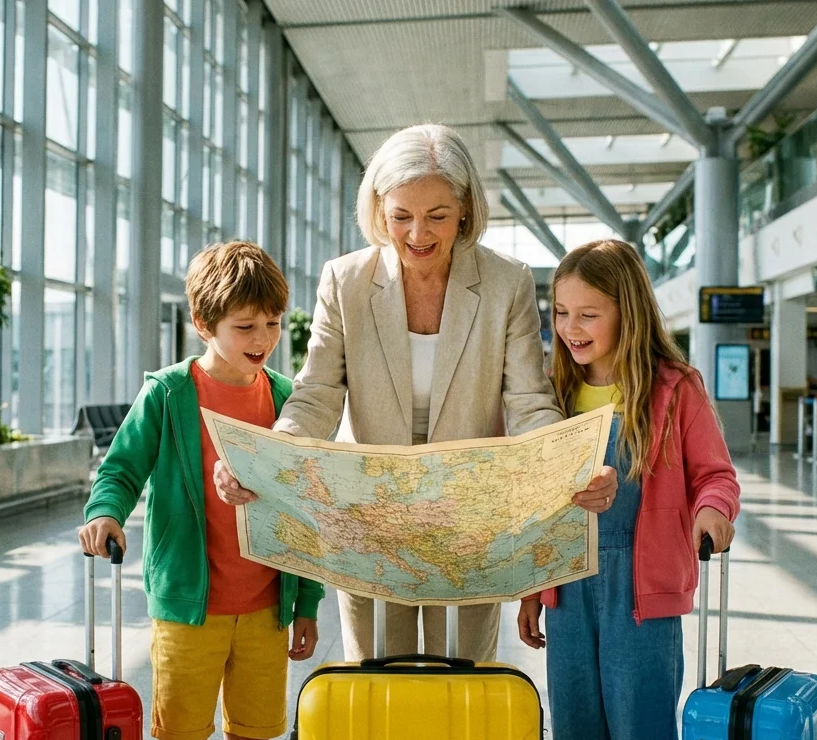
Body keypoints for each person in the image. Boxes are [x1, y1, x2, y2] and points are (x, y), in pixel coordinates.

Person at [213, 123, 618, 663]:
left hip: (471, 527)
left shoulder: (507, 283)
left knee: (462, 687)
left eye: (438, 216)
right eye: (400, 215)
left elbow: (528, 402)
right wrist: (265, 458)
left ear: (466, 211)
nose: (417, 234)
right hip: (366, 522)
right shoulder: (345, 281)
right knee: (378, 688)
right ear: (378, 209)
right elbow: (317, 395)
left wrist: (570, 466)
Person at [78, 242, 325, 740]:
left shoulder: (286, 400)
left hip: (266, 607)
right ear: (204, 323)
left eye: (273, 324)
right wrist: (105, 513)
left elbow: (302, 510)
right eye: (246, 326)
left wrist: (306, 602)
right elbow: (121, 468)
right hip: (190, 609)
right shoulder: (168, 394)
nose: (263, 340)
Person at [517, 239, 741, 740]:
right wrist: (531, 588)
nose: (571, 327)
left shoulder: (676, 388)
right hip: (569, 589)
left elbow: (716, 474)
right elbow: (535, 501)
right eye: (563, 312)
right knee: (575, 739)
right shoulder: (554, 393)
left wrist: (713, 509)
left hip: (643, 596)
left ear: (629, 312)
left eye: (589, 314)